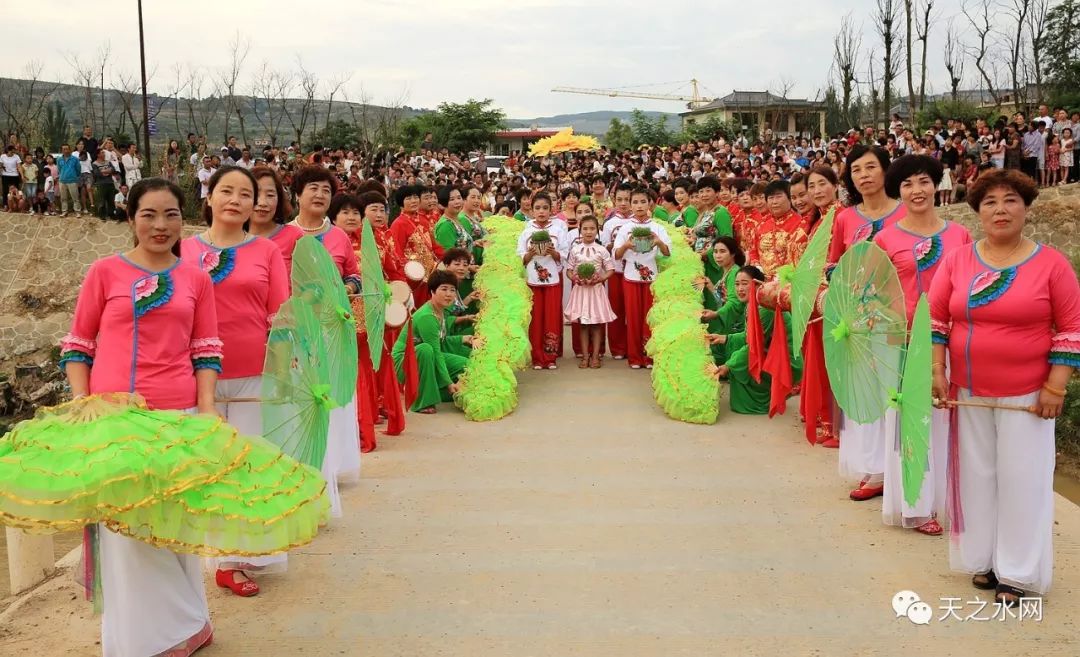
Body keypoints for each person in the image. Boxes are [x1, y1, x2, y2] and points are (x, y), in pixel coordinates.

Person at [59, 177, 220, 656]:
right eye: (148, 214)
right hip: (112, 419)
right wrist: (82, 401)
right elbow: (78, 344)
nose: (161, 224)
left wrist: (207, 410)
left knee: (176, 525)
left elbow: (206, 350)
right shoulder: (104, 272)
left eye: (171, 214)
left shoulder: (195, 278)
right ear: (130, 218)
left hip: (178, 414)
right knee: (126, 533)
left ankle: (189, 626)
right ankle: (150, 636)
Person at [929, 168, 1080, 605]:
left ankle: (1017, 573)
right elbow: (938, 321)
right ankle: (986, 560)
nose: (1001, 209)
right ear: (978, 212)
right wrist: (938, 370)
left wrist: (1055, 387)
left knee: (1022, 480)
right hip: (968, 391)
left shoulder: (1051, 263)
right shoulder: (958, 260)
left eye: (1010, 199)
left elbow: (1070, 329)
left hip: (1028, 397)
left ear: (1026, 207)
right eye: (990, 201)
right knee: (977, 478)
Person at [180, 166, 289, 598]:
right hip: (188, 375)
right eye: (226, 190)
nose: (236, 200)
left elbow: (280, 315)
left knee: (246, 466)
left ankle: (234, 558)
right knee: (203, 467)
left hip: (253, 374)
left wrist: (287, 367)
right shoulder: (181, 249)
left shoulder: (265, 251)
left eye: (246, 194)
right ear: (208, 197)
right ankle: (197, 553)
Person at [873, 155, 973, 537]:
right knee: (908, 421)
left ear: (936, 184)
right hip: (903, 341)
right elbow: (875, 290)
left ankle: (947, 500)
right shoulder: (885, 238)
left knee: (946, 419)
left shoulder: (959, 236)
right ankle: (914, 505)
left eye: (923, 181)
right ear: (899, 192)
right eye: (907, 185)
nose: (917, 191)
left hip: (950, 339)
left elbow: (966, 286)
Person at [829, 145, 907, 502]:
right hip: (859, 322)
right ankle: (874, 469)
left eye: (871, 167)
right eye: (856, 169)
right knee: (867, 393)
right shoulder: (845, 218)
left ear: (886, 171)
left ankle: (904, 469)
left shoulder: (906, 211)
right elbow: (834, 265)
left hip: (898, 318)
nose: (863, 175)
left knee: (897, 391)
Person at [288, 165, 361, 516]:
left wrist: (347, 288)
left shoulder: (339, 238)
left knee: (331, 398)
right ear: (297, 194)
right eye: (312, 188)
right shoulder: (282, 236)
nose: (319, 195)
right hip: (294, 330)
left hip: (332, 330)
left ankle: (330, 464)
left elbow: (354, 276)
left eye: (325, 190)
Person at [331, 191, 406, 451]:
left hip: (368, 317)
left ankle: (367, 429)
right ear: (333, 217)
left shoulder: (374, 242)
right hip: (336, 319)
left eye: (355, 212)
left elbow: (391, 271)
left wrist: (396, 296)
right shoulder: (325, 243)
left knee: (367, 370)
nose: (351, 217)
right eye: (345, 213)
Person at [707, 265, 798, 414]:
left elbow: (754, 346)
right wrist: (725, 338)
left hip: (786, 361)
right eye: (737, 284)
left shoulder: (765, 309)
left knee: (738, 362)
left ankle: (765, 401)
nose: (740, 288)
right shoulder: (753, 303)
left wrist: (728, 366)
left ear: (756, 284)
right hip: (772, 352)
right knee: (733, 349)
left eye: (745, 283)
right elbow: (750, 336)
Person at [391, 270, 474, 413]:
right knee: (426, 350)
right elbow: (436, 351)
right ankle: (421, 401)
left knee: (467, 365)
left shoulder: (441, 310)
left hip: (425, 356)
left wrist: (463, 338)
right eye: (443, 289)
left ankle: (434, 392)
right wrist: (448, 383)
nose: (449, 294)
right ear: (432, 291)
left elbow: (441, 340)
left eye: (452, 290)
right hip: (405, 361)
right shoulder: (427, 317)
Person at [801, 166, 841, 448]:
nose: (817, 191)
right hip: (814, 296)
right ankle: (823, 419)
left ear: (836, 185)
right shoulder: (815, 220)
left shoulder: (841, 217)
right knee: (818, 359)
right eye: (812, 186)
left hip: (832, 298)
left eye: (822, 184)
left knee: (832, 362)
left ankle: (837, 427)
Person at [613, 186, 672, 369]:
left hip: (652, 277)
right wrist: (627, 246)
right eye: (635, 202)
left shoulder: (657, 227)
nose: (639, 206)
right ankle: (634, 357)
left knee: (650, 318)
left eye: (643, 202)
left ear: (650, 204)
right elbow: (616, 254)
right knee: (633, 318)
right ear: (630, 205)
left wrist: (659, 242)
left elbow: (667, 252)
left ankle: (649, 356)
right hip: (630, 276)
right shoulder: (626, 228)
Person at [518, 192, 569, 369]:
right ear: (531, 210)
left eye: (545, 208)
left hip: (552, 280)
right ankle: (537, 357)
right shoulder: (527, 232)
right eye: (537, 208)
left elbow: (564, 254)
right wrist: (529, 254)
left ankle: (550, 356)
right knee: (536, 319)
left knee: (552, 317)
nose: (541, 212)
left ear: (551, 210)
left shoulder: (557, 230)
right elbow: (520, 258)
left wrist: (553, 253)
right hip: (533, 281)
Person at [564, 215, 616, 369]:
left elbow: (610, 269)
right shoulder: (575, 249)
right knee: (583, 325)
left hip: (596, 291)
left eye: (592, 228)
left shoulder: (602, 250)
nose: (588, 232)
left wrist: (599, 279)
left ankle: (595, 357)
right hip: (580, 291)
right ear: (580, 231)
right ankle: (585, 357)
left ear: (597, 231)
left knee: (596, 325)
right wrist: (575, 278)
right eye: (585, 229)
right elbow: (569, 270)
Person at [599, 183, 633, 360]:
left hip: (635, 271)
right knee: (616, 309)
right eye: (619, 199)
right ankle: (618, 348)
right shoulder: (610, 223)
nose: (623, 203)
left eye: (627, 199)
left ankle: (633, 346)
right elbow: (604, 246)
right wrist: (612, 245)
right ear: (613, 200)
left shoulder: (639, 221)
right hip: (616, 271)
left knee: (633, 311)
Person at [699, 236, 745, 366]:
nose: (718, 256)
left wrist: (716, 314)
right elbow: (724, 298)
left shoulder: (735, 273)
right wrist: (711, 286)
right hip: (728, 324)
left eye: (722, 251)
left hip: (736, 326)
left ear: (733, 253)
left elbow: (734, 302)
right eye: (715, 251)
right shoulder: (727, 271)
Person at [747, 179, 807, 278]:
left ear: (790, 199)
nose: (774, 202)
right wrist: (757, 266)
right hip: (763, 282)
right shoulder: (761, 225)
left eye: (778, 197)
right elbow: (753, 251)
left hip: (789, 281)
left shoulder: (801, 224)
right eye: (771, 198)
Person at [248, 166, 302, 275]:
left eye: (270, 195)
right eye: (255, 194)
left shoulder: (295, 237)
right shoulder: (230, 239)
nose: (263, 202)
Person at [689, 176, 734, 254]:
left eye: (708, 191)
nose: (704, 195)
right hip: (700, 258)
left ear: (717, 193)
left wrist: (707, 254)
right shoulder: (705, 212)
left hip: (715, 259)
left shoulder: (721, 212)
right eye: (701, 191)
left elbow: (727, 239)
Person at [91, 149, 116, 219]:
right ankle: (102, 215)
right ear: (98, 155)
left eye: (104, 153)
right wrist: (108, 171)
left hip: (110, 183)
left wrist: (103, 171)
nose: (104, 154)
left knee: (111, 200)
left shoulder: (108, 162)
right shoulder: (94, 164)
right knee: (101, 201)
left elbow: (113, 169)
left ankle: (112, 214)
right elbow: (97, 174)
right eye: (102, 153)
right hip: (100, 184)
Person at [1, 144, 22, 210]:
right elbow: (1, 165)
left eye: (13, 151)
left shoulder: (16, 157)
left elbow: (19, 166)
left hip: (15, 176)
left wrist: (22, 175)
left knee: (16, 191)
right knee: (5, 190)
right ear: (7, 150)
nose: (13, 153)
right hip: (5, 175)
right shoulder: (2, 156)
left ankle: (17, 205)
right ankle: (6, 205)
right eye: (11, 151)